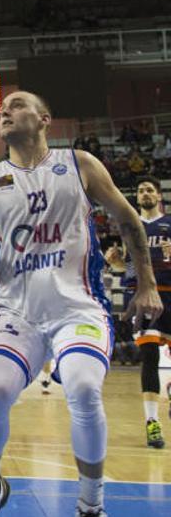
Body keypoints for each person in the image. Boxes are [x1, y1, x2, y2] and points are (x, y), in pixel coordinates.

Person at [0, 91, 162, 517]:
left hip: (79, 308)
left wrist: (146, 283)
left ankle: (91, 505)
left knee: (84, 387)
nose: (5, 111)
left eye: (17, 105)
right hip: (19, 314)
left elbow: (129, 220)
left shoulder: (79, 164)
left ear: (44, 119)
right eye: (2, 108)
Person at [104, 177, 171, 449]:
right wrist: (118, 264)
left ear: (159, 196)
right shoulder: (130, 227)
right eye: (141, 189)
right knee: (149, 356)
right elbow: (128, 270)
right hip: (142, 297)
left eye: (149, 190)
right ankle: (152, 422)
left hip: (169, 292)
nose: (144, 193)